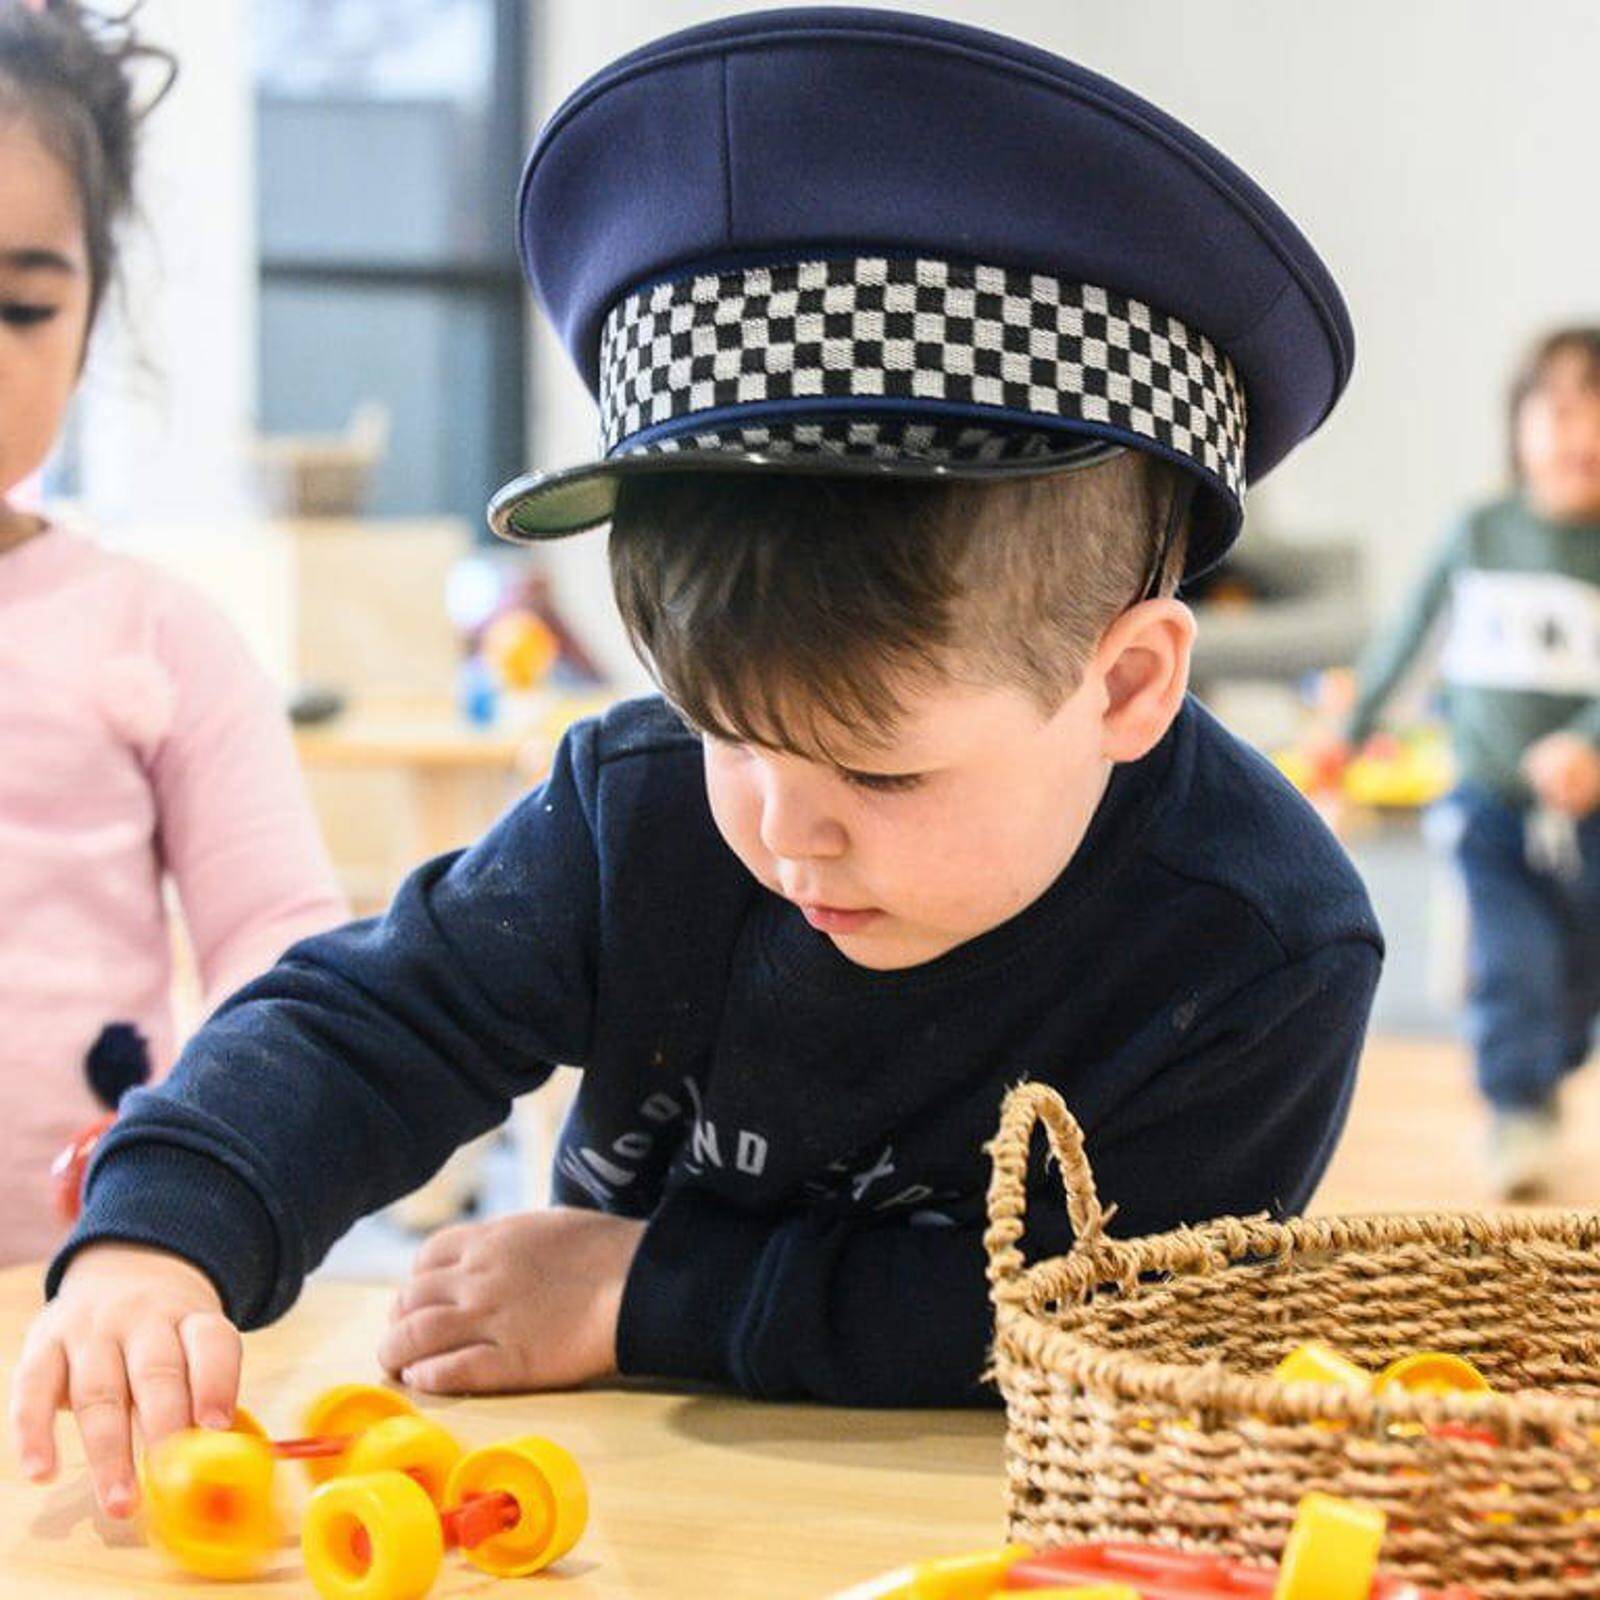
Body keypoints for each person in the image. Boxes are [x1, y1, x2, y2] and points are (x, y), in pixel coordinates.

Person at [11, 7, 1381, 1520]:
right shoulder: (641, 808)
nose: (786, 834)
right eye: (725, 729)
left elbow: (1117, 1324)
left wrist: (644, 1293)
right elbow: (373, 1023)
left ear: (1125, 683)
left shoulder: (1262, 946)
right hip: (632, 1497)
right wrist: (166, 1230)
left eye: (882, 773)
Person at [0, 0, 346, 1264]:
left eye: (22, 309)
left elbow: (282, 946)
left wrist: (207, 1146)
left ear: (90, 321)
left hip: (80, 1295)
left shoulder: (156, 632)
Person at [1345, 327, 1600, 1199]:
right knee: (1513, 953)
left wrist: (1589, 746)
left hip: (1589, 817)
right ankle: (1517, 1105)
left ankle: (1553, 1057)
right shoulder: (1482, 531)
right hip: (1489, 801)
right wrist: (1355, 724)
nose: (1584, 432)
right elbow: (1411, 627)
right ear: (1520, 427)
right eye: (1563, 407)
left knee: (1575, 977)